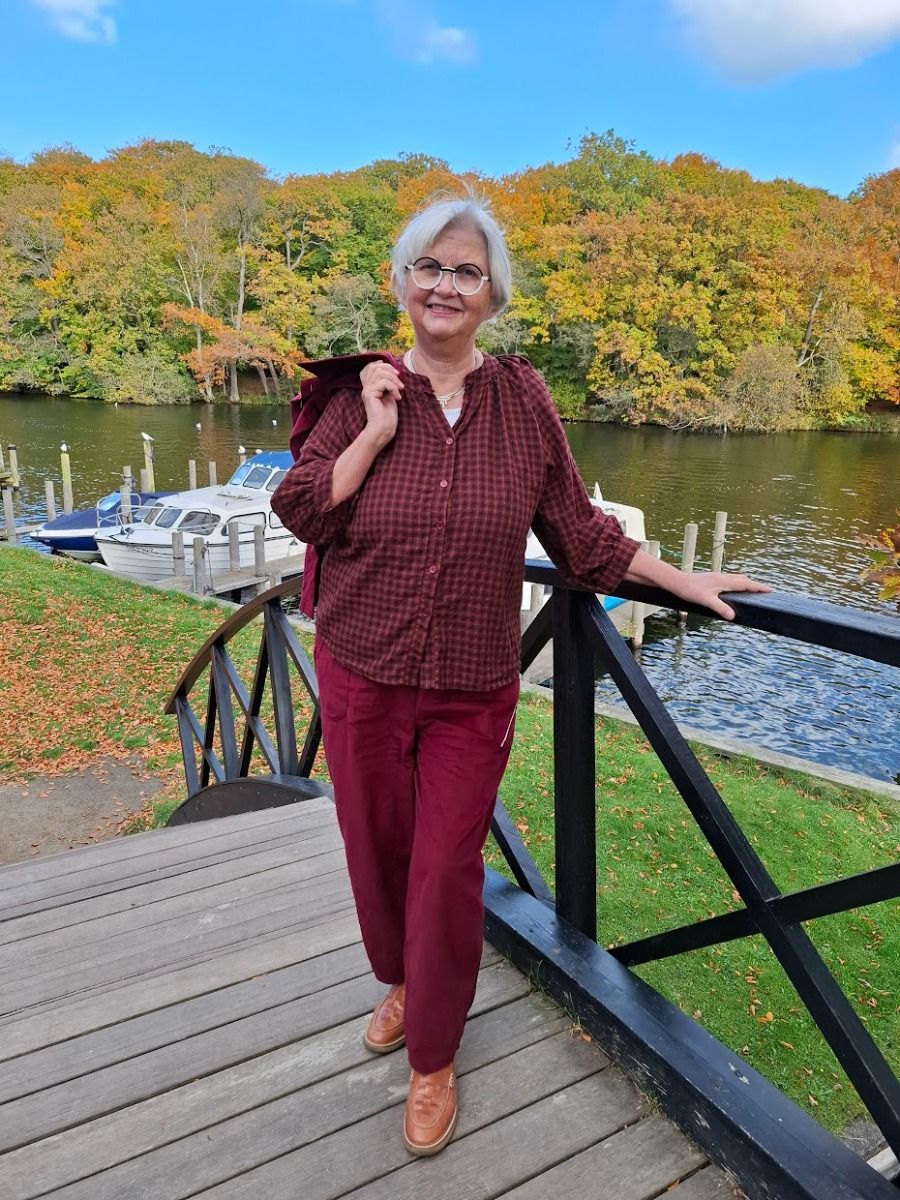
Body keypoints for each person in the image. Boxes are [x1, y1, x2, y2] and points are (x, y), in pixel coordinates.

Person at [271, 194, 769, 1157]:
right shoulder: (356, 395)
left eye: (466, 271)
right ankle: (402, 983)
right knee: (376, 850)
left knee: (446, 866)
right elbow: (302, 510)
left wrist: (680, 580)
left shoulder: (522, 402)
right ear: (403, 282)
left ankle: (434, 1056)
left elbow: (580, 535)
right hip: (363, 672)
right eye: (429, 266)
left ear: (492, 295)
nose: (445, 285)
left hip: (472, 687)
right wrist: (373, 433)